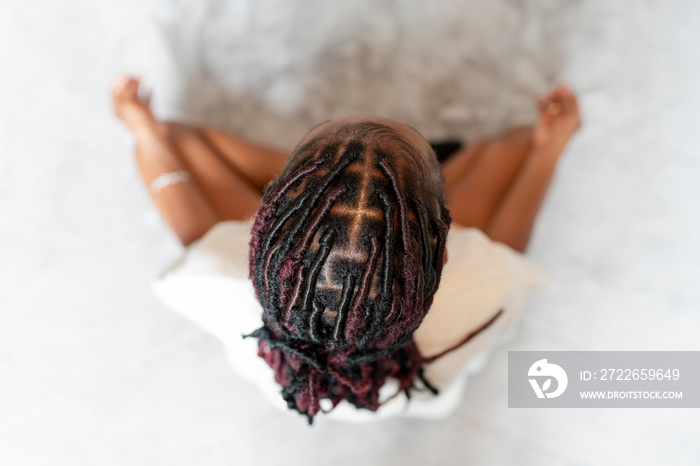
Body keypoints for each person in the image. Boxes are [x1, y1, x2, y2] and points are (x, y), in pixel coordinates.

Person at [112, 74, 581, 423]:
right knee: (506, 150)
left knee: (179, 140)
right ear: (441, 250)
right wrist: (546, 150)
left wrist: (145, 131)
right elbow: (509, 244)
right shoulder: (485, 280)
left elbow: (163, 161)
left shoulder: (212, 275)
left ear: (261, 231)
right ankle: (360, 181)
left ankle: (330, 181)